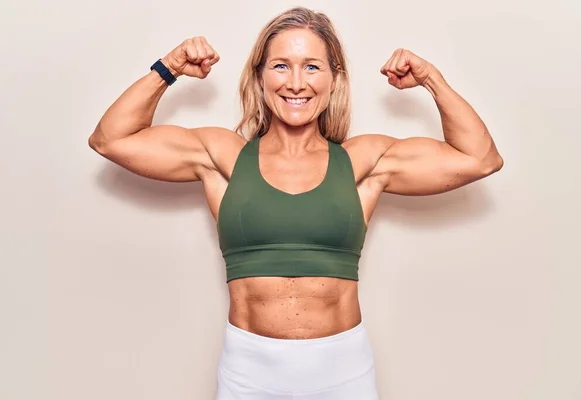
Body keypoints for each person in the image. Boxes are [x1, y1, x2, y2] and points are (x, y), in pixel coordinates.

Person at [88, 6, 503, 400]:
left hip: (342, 371)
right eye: (281, 65)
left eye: (312, 66)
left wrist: (432, 78)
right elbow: (111, 139)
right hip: (248, 372)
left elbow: (479, 158)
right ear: (260, 76)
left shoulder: (361, 161)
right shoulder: (224, 156)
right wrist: (170, 67)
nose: (296, 83)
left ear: (334, 78)